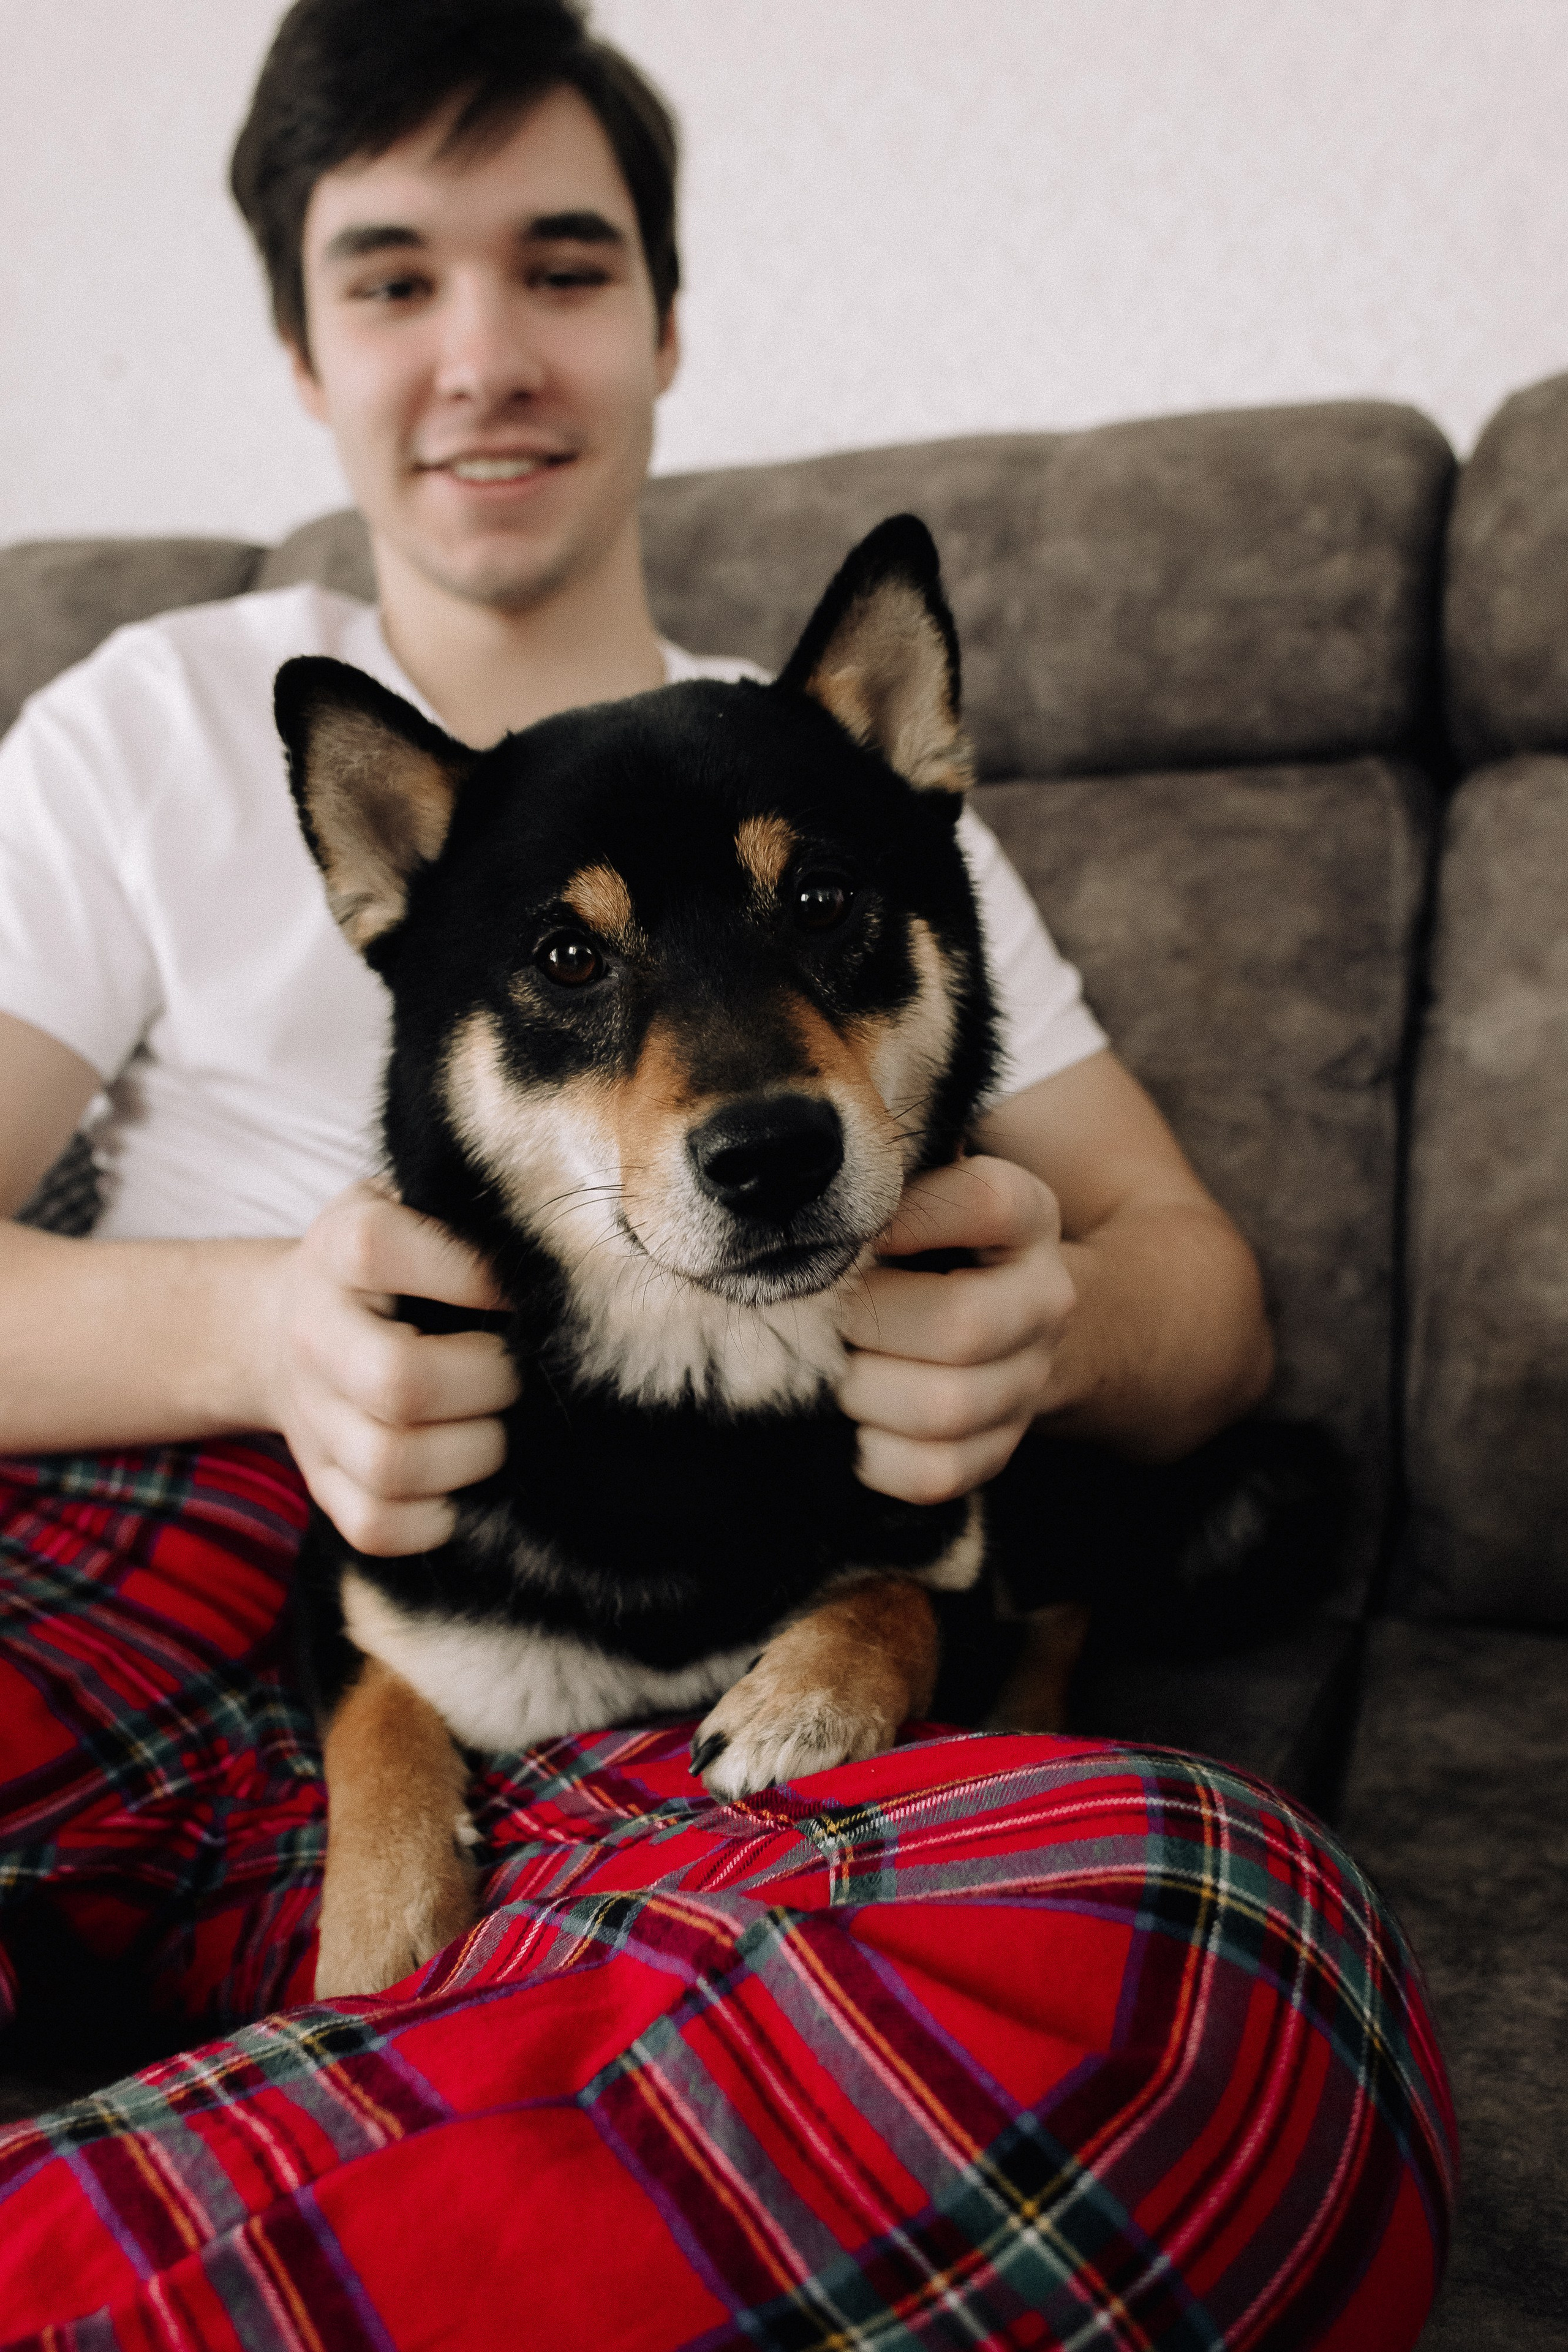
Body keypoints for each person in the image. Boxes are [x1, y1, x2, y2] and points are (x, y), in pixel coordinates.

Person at [0, 6, 1453, 2344]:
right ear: (300, 347)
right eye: (392, 278)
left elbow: (1210, 1306)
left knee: (1217, 1962)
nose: (484, 353)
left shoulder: (859, 807)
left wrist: (1046, 1311)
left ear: (668, 318)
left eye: (562, 265)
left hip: (641, 1653)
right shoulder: (152, 720)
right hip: (141, 1515)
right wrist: (260, 1327)